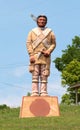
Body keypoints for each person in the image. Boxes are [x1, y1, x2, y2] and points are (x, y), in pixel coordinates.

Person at [26, 15, 56, 96]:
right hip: (35, 56)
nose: (42, 21)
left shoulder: (50, 32)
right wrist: (31, 54)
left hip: (45, 57)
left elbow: (53, 44)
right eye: (40, 20)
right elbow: (28, 43)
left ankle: (43, 92)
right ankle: (34, 91)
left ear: (46, 22)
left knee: (44, 74)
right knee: (35, 75)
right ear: (37, 21)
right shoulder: (32, 32)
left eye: (43, 20)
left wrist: (49, 51)